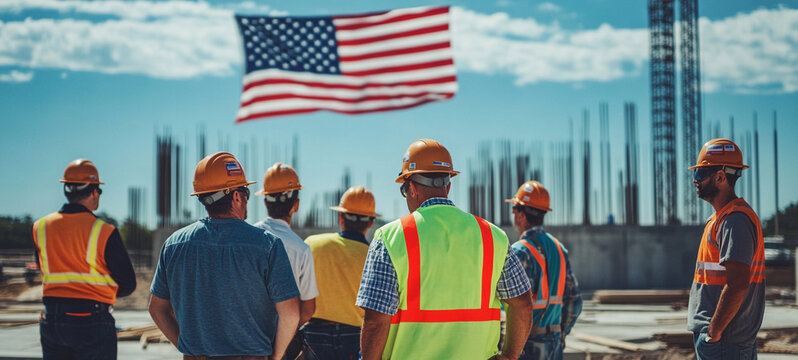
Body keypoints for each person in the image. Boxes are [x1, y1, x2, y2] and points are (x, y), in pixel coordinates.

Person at [356, 139, 534, 360]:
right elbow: (523, 304)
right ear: (448, 186)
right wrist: (509, 356)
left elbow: (376, 319)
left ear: (411, 188)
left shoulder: (391, 237)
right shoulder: (493, 235)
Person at [149, 152, 300, 360]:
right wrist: (274, 357)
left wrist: (187, 347)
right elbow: (291, 314)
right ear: (237, 196)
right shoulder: (267, 245)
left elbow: (157, 309)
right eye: (246, 192)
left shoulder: (174, 244)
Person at [33, 159, 137, 360]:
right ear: (94, 192)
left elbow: (43, 267)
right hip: (92, 320)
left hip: (52, 319)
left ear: (67, 190)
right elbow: (128, 283)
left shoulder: (41, 227)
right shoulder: (104, 231)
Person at [687, 138, 765, 359]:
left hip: (725, 343)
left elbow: (738, 283)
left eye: (700, 174)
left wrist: (714, 333)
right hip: (723, 342)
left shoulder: (735, 220)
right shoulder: (721, 219)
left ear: (720, 177)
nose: (695, 180)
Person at [506, 181, 582, 360]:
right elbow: (575, 301)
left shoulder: (520, 251)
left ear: (521, 215)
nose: (513, 215)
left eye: (514, 210)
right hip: (555, 344)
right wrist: (560, 332)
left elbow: (516, 306)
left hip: (528, 345)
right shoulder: (559, 248)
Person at [304, 186, 379, 360]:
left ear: (340, 217)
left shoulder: (312, 244)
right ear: (370, 223)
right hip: (355, 337)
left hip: (315, 334)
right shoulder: (374, 255)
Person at [254, 162, 319, 326]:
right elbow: (308, 309)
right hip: (281, 340)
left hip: (245, 337)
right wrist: (286, 334)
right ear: (295, 205)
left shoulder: (245, 237)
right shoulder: (301, 249)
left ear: (265, 202)